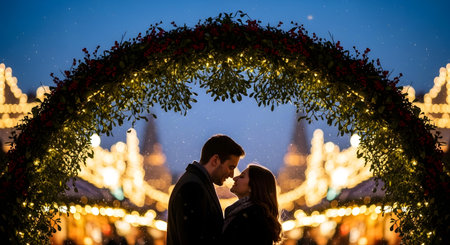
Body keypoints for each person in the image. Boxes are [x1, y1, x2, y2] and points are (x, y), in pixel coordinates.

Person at [166, 134, 245, 245]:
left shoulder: (197, 182)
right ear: (215, 160)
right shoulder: (193, 187)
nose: (232, 175)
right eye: (231, 167)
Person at [222, 164, 282, 245]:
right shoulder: (249, 213)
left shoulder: (255, 218)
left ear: (253, 186)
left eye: (242, 176)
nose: (234, 178)